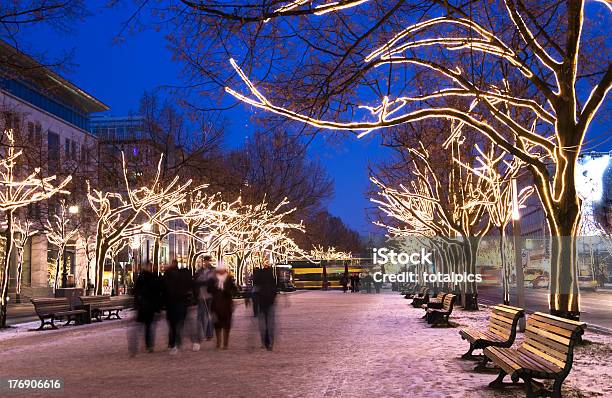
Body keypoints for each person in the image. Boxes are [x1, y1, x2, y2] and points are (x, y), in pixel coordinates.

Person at [130, 261, 161, 355]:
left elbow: (135, 291)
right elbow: (156, 293)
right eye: (149, 266)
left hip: (143, 305)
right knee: (148, 327)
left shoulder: (142, 277)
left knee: (142, 327)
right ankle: (148, 345)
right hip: (147, 306)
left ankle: (143, 346)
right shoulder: (150, 277)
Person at [162, 259, 192, 355]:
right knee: (177, 324)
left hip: (172, 303)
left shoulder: (168, 276)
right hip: (178, 303)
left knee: (173, 324)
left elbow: (164, 290)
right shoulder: (179, 277)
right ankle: (176, 341)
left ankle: (173, 342)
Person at [208, 261, 236, 349]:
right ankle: (218, 342)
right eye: (219, 270)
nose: (221, 271)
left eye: (222, 269)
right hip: (216, 304)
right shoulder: (212, 279)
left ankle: (225, 343)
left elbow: (234, 289)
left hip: (226, 304)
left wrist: (227, 291)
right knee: (217, 324)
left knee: (227, 324)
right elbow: (209, 290)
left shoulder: (229, 278)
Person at [253, 263, 277, 350]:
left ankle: (264, 342)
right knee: (270, 324)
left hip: (262, 304)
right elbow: (275, 291)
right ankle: (270, 343)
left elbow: (255, 293)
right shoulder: (271, 281)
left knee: (263, 324)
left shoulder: (259, 284)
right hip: (270, 303)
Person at [193, 256, 214, 347]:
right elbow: (195, 282)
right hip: (201, 296)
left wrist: (204, 282)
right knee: (200, 316)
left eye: (207, 261)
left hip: (210, 296)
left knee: (210, 316)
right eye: (205, 261)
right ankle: (201, 333)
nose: (206, 263)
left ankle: (209, 334)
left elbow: (213, 282)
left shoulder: (213, 271)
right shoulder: (199, 271)